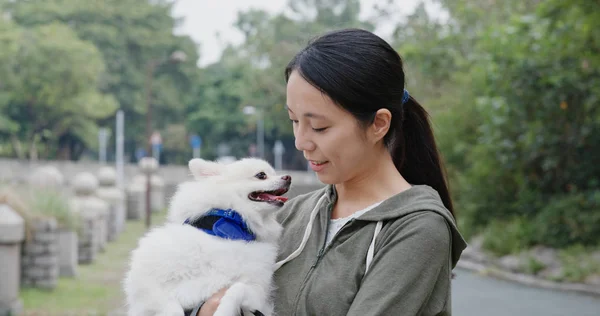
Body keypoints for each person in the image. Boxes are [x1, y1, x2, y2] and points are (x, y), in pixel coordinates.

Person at [194, 28, 467, 316]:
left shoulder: (418, 229)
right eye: (294, 120)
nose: (301, 142)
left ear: (378, 124)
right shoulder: (290, 215)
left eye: (320, 127)